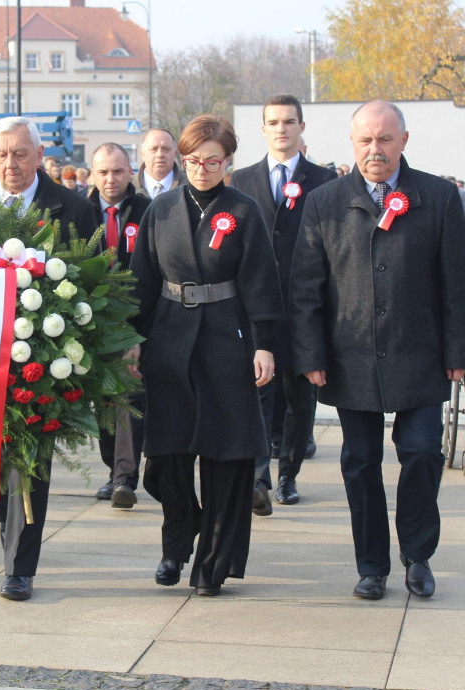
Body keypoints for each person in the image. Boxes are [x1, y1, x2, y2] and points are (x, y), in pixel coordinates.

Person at [289, 100, 465, 601]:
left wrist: (461, 349)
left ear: (404, 140)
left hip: (420, 353)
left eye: (385, 139)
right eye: (365, 140)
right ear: (352, 144)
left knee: (420, 451)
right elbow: (307, 287)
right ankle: (371, 565)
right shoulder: (325, 202)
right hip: (350, 356)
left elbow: (459, 284)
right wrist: (309, 354)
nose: (376, 149)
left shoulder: (438, 198)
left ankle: (417, 555)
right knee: (360, 459)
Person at [129, 114, 284, 597]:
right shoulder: (161, 210)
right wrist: (132, 338)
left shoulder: (243, 211)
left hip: (227, 341)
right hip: (170, 342)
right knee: (165, 460)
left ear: (228, 161)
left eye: (212, 161)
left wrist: (264, 344)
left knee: (224, 459)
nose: (201, 168)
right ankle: (177, 540)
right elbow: (142, 282)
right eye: (193, 160)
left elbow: (262, 280)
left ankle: (210, 565)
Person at [0, 115, 98, 601]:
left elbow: (94, 280)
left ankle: (20, 565)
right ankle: (4, 522)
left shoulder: (72, 208)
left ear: (39, 155)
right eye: (2, 154)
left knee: (30, 462)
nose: (10, 163)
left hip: (41, 359)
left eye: (20, 154)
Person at [230, 94, 337, 513]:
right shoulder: (241, 179)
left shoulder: (324, 180)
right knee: (258, 391)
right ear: (263, 129)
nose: (281, 129)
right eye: (273, 122)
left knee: (299, 396)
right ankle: (260, 476)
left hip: (304, 305)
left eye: (289, 121)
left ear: (301, 127)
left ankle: (289, 474)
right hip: (256, 306)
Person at [87, 141, 151, 509]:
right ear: (93, 175)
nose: (111, 179)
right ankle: (114, 470)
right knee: (104, 402)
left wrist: (139, 334)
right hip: (94, 323)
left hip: (134, 322)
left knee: (127, 394)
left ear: (131, 171)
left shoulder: (148, 211)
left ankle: (125, 477)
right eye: (103, 172)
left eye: (117, 171)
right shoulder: (81, 211)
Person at [134, 128, 186, 199]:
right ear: (142, 154)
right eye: (153, 149)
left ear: (175, 153)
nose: (160, 154)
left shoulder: (190, 187)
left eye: (166, 149)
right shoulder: (127, 188)